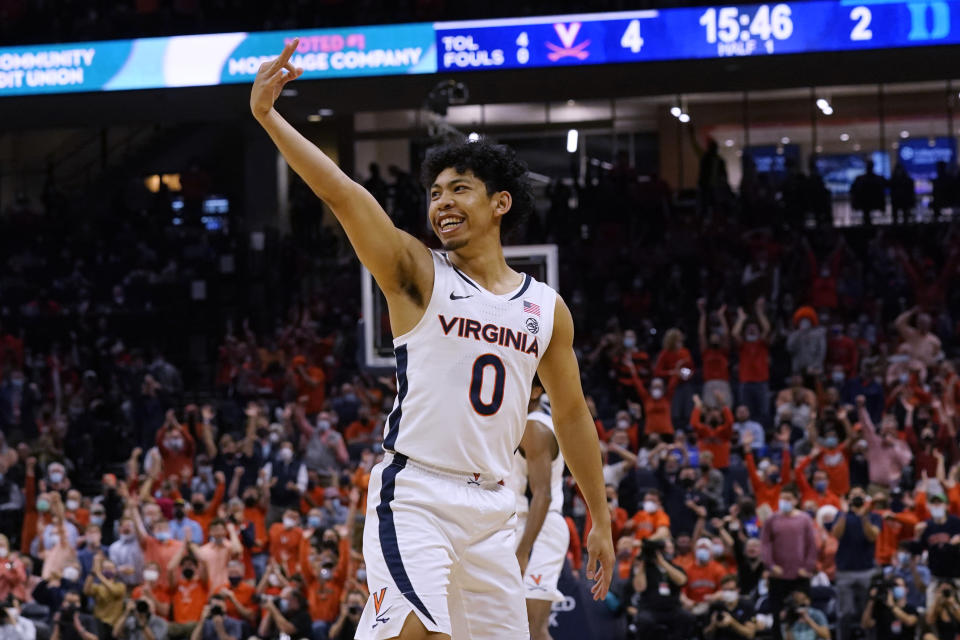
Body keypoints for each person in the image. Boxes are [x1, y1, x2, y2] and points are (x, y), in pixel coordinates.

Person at [250, 40, 613, 640]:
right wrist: (270, 118)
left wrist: (599, 516)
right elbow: (342, 193)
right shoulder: (418, 273)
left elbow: (573, 414)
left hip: (495, 508)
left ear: (500, 204)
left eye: (459, 189)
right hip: (416, 494)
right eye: (435, 192)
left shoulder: (546, 309)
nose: (442, 201)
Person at [506, 381, 568, 640]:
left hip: (539, 528)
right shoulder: (517, 423)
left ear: (536, 391)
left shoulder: (535, 426)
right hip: (516, 526)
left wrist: (522, 551)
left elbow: (542, 495)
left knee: (533, 628)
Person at [759, 484, 817, 640]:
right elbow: (765, 544)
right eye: (782, 498)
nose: (784, 501)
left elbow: (811, 544)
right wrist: (770, 565)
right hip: (778, 576)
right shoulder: (772, 520)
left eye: (788, 499)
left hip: (799, 576)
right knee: (778, 616)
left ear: (796, 500)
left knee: (801, 614)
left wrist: (808, 567)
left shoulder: (804, 519)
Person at [830, 486, 882, 640]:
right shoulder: (841, 515)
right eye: (854, 495)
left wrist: (863, 516)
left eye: (860, 495)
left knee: (868, 611)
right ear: (849, 499)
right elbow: (836, 534)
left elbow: (872, 536)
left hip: (866, 570)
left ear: (866, 498)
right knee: (845, 612)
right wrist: (845, 513)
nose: (857, 498)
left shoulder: (873, 516)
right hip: (845, 570)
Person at [628, 541, 694, 640]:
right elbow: (639, 588)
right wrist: (643, 560)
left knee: (687, 618)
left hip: (672, 608)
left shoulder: (674, 567)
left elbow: (682, 581)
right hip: (650, 609)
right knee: (644, 621)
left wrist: (662, 562)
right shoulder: (644, 569)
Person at [861, 575, 918, 640]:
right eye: (895, 586)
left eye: (900, 586)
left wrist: (892, 606)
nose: (897, 588)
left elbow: (909, 622)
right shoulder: (882, 609)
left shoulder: (911, 609)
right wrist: (871, 600)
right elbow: (865, 624)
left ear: (906, 589)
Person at [702, 575, 756, 640]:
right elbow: (706, 636)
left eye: (731, 590)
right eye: (725, 590)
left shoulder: (747, 605)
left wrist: (732, 622)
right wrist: (713, 624)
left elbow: (750, 634)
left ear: (738, 590)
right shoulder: (715, 606)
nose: (728, 593)